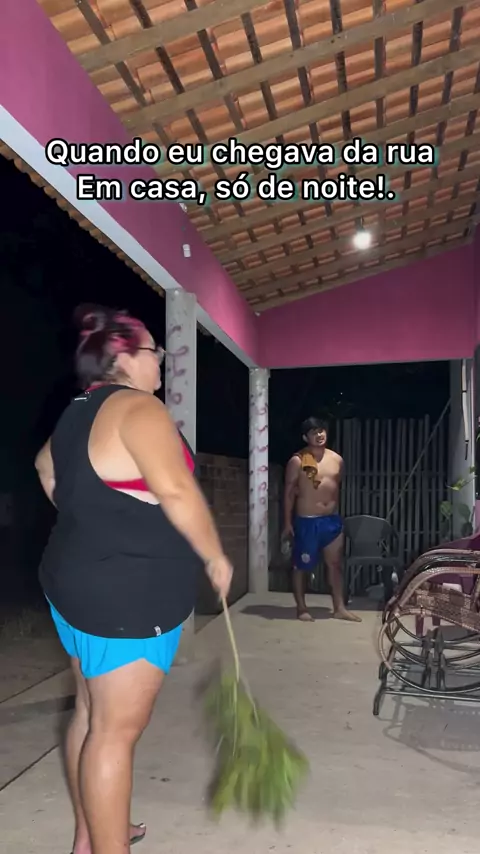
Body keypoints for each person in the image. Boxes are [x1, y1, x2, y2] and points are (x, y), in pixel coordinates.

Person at [35, 304, 233, 854]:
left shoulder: (79, 409)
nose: (160, 360)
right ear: (122, 357)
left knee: (90, 713)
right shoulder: (139, 408)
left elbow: (45, 467)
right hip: (127, 598)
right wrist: (214, 555)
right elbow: (175, 490)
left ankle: (91, 835)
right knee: (115, 733)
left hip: (73, 583)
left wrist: (91, 515)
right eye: (153, 350)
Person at [282, 416, 360, 623]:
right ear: (305, 437)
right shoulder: (298, 460)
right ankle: (301, 607)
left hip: (331, 521)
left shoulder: (337, 459)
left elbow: (335, 488)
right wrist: (287, 522)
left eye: (321, 430)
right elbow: (289, 493)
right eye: (313, 432)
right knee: (302, 566)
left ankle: (339, 608)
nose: (319, 435)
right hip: (307, 521)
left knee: (335, 564)